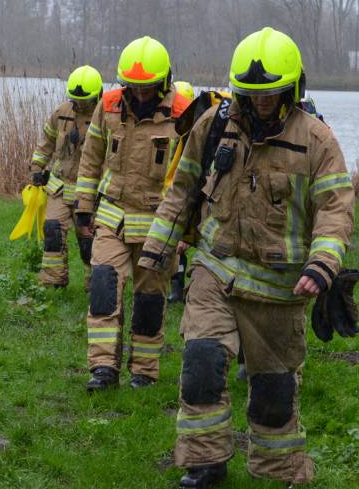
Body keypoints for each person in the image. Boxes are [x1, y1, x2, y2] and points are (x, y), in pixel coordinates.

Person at [138, 27, 354, 487]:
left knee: (273, 395)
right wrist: (157, 248)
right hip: (214, 270)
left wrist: (322, 266)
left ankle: (276, 469)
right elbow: (183, 188)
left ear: (292, 89)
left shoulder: (317, 141)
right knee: (200, 364)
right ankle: (206, 461)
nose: (259, 102)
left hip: (278, 290)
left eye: (270, 94)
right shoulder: (215, 124)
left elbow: (336, 211)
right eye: (251, 94)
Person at [75, 37, 191, 391]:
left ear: (164, 82)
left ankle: (144, 372)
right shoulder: (108, 106)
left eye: (148, 88)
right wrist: (83, 209)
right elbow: (91, 158)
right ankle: (102, 369)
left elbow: (193, 174)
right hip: (112, 215)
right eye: (133, 87)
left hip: (160, 223)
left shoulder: (185, 113)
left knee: (149, 300)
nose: (140, 95)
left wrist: (186, 230)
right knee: (103, 288)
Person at [30, 65, 103, 289]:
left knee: (88, 239)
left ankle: (95, 284)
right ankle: (53, 282)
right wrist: (36, 167)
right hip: (60, 186)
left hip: (90, 190)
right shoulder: (62, 112)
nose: (80, 104)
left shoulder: (106, 116)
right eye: (76, 99)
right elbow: (47, 141)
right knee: (52, 230)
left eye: (85, 100)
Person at [168, 81, 195, 303]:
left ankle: (177, 288)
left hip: (181, 199)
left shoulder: (195, 138)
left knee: (179, 246)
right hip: (163, 196)